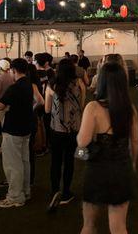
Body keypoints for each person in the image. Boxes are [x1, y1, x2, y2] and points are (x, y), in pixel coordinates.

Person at [78, 62, 138, 234]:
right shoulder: (130, 110)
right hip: (121, 168)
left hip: (97, 169)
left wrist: (79, 145)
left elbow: (82, 142)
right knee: (119, 227)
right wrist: (133, 164)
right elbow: (134, 143)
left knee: (89, 225)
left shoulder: (93, 108)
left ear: (101, 81)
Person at [45, 58, 85, 211]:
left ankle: (55, 191)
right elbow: (81, 106)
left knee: (55, 161)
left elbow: (47, 110)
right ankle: (67, 192)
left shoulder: (51, 85)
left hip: (56, 130)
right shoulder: (78, 84)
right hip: (73, 130)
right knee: (69, 161)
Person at [0, 58, 33, 208]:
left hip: (13, 130)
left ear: (14, 70)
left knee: (13, 165)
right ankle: (25, 191)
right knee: (24, 162)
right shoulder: (28, 84)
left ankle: (15, 196)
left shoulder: (15, 88)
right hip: (26, 128)